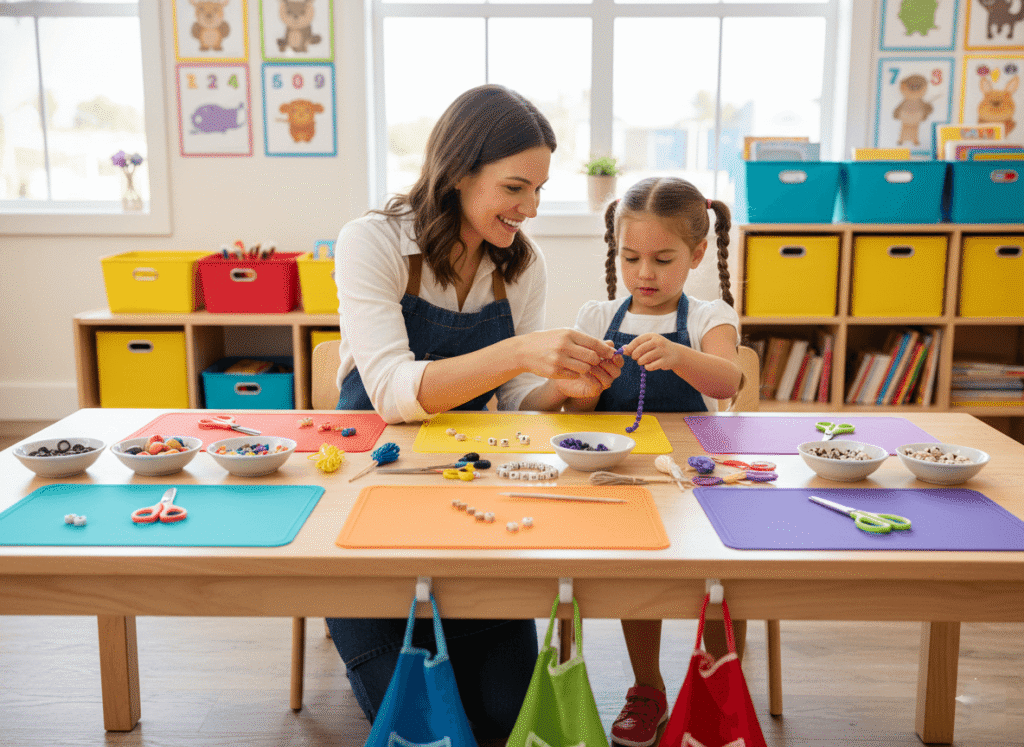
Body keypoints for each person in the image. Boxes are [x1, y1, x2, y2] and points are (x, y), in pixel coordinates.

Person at [327, 84, 620, 742]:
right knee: (428, 726)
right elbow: (394, 392)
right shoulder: (372, 241)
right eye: (517, 187)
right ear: (458, 172)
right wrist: (518, 350)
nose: (531, 209)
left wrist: (570, 392)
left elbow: (515, 402)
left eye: (540, 190)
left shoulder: (520, 265)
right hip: (367, 488)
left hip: (465, 484)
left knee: (511, 722)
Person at [562, 176, 743, 747]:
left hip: (694, 479)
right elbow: (576, 407)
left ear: (694, 255)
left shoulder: (709, 315)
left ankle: (717, 686)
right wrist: (590, 384)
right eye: (631, 256)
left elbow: (729, 380)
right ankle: (647, 686)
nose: (645, 273)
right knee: (634, 573)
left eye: (663, 259)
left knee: (712, 580)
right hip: (622, 475)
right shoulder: (597, 316)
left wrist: (679, 355)